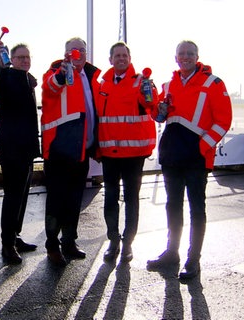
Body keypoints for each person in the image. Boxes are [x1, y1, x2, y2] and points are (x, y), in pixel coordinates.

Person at [146, 40, 232, 280]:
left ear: (197, 56)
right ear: (175, 58)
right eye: (181, 54)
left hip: (196, 158)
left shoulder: (213, 83)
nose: (185, 57)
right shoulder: (169, 83)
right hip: (172, 155)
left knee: (197, 209)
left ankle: (193, 260)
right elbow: (159, 115)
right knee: (173, 206)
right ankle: (171, 253)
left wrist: (201, 146)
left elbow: (223, 120)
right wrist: (156, 108)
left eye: (190, 53)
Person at [95, 42, 158, 263]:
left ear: (130, 58)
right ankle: (113, 241)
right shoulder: (102, 84)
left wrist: (150, 91)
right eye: (117, 55)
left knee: (131, 199)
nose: (121, 59)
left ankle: (128, 243)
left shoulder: (142, 82)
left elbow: (152, 104)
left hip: (134, 153)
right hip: (110, 152)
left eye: (125, 55)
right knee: (110, 198)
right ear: (110, 59)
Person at [41, 37, 100, 266]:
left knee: (75, 198)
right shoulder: (56, 71)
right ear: (65, 53)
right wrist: (63, 70)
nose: (77, 54)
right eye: (72, 51)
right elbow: (51, 88)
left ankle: (69, 241)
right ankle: (51, 245)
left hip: (82, 149)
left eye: (81, 50)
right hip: (59, 150)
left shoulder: (92, 77)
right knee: (56, 200)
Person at [0, 42, 40, 264]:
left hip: (27, 147)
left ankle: (15, 236)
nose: (25, 60)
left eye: (27, 57)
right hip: (12, 148)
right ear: (12, 59)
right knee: (12, 196)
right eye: (20, 57)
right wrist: (2, 66)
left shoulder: (28, 80)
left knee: (22, 195)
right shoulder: (8, 76)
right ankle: (7, 244)